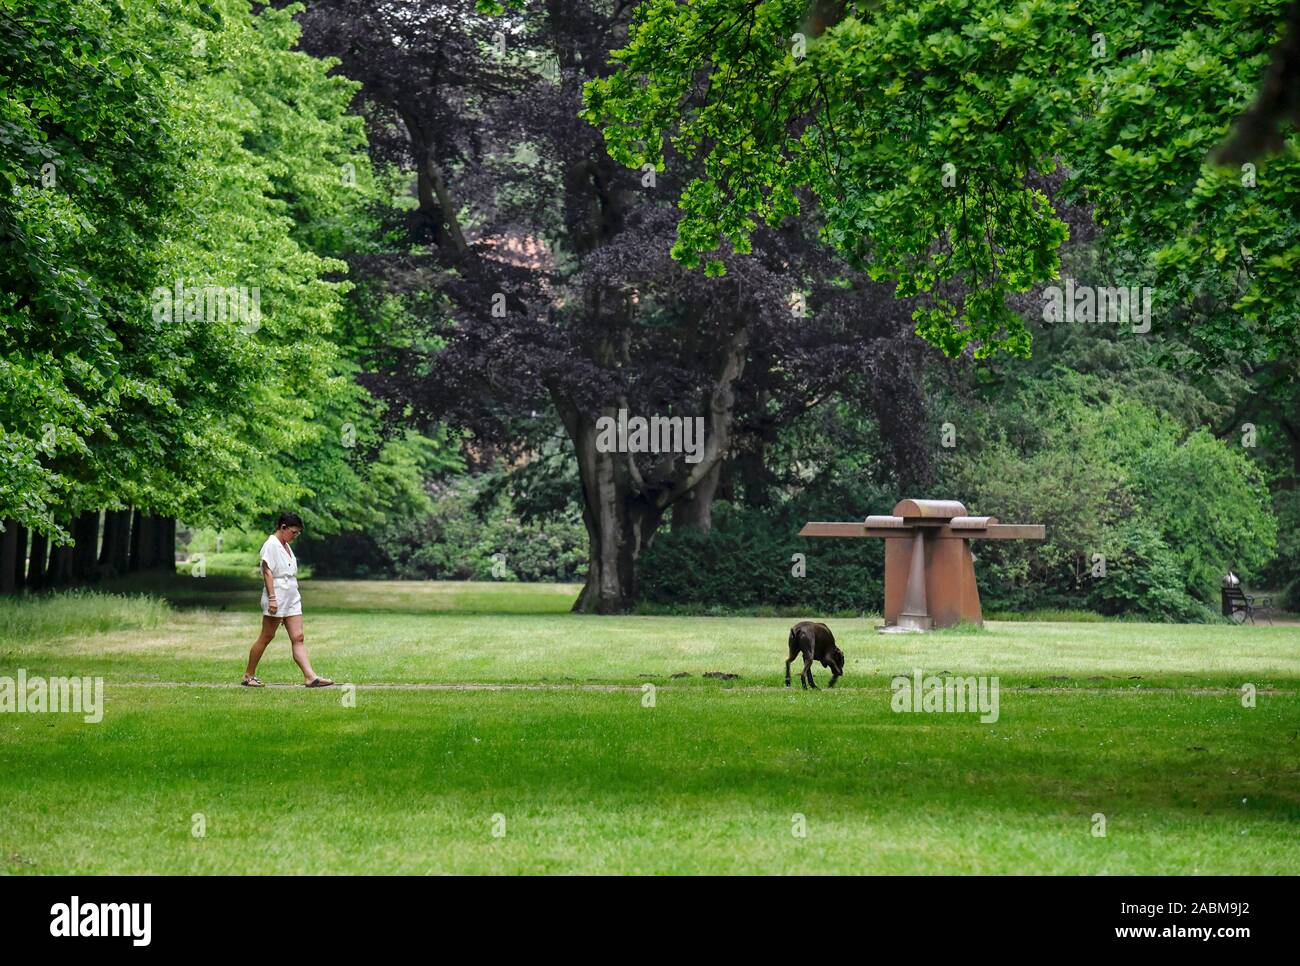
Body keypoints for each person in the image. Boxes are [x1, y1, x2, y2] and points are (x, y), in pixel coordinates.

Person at [241, 512, 334, 688]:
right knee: (266, 636)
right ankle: (248, 675)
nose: (295, 536)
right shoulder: (271, 545)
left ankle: (310, 677)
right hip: (277, 593)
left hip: (291, 593)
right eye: (294, 532)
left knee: (298, 637)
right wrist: (273, 599)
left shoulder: (286, 545)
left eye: (298, 533)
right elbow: (267, 571)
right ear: (283, 527)